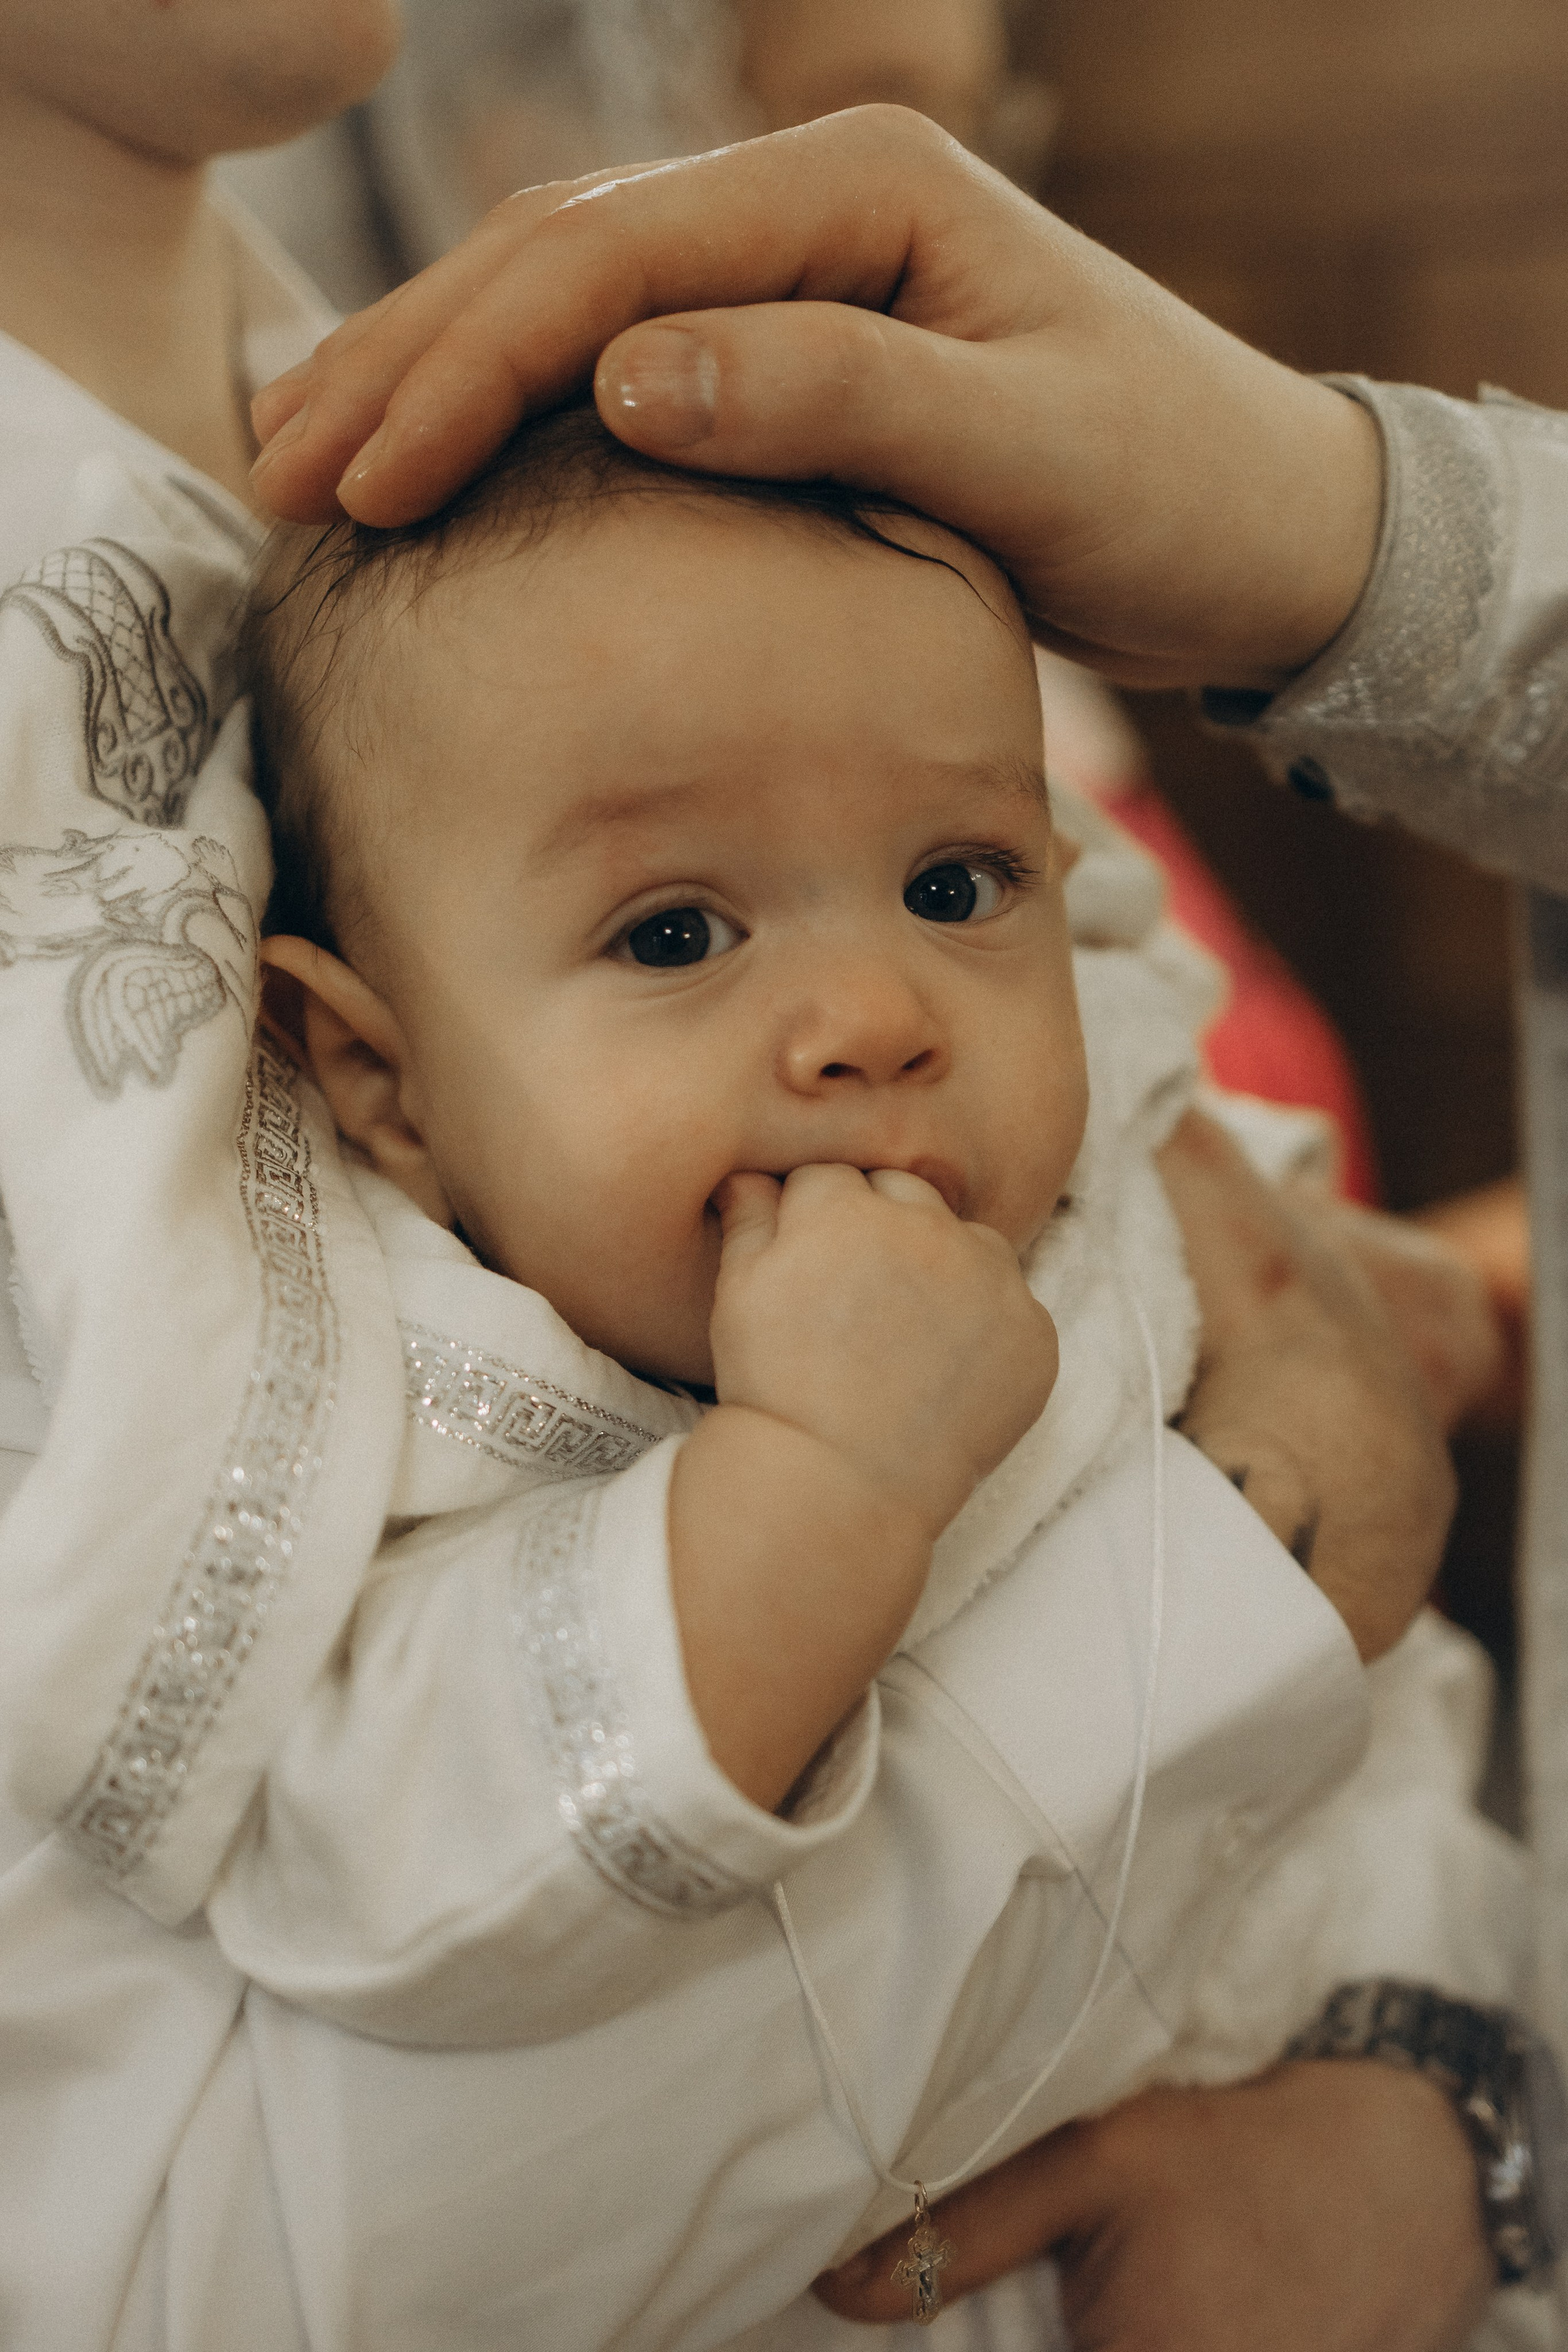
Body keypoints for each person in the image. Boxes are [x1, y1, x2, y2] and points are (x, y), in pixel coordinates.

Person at [246, 102, 1568, 2344]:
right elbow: (396, 1894)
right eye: (674, 935)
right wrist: (828, 1487)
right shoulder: (436, 1396)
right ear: (382, 1080)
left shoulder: (1122, 1123)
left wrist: (1459, 2105)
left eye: (961, 887)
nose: (872, 1013)